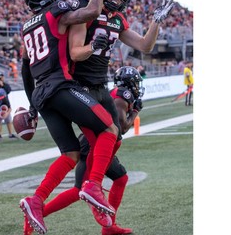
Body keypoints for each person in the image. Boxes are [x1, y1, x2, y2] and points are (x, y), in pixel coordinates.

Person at [66, 0, 173, 226]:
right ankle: (92, 186)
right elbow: (75, 52)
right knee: (103, 135)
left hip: (100, 85)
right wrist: (93, 46)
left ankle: (93, 190)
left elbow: (145, 46)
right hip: (80, 85)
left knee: (114, 134)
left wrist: (156, 22)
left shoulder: (117, 20)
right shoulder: (87, 12)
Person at [19, 0, 120, 235]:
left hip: (41, 94)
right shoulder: (57, 12)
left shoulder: (27, 27)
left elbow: (25, 70)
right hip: (60, 86)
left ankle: (36, 200)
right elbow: (92, 10)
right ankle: (94, 185)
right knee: (109, 128)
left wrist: (32, 106)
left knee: (70, 154)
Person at [23, 66, 144, 235]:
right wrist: (136, 111)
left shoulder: (115, 93)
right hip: (95, 145)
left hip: (94, 143)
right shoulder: (122, 94)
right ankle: (38, 212)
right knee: (83, 189)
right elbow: (121, 127)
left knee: (116, 180)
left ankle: (109, 226)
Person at [0, 73, 17, 139]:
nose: (1, 78)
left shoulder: (5, 85)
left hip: (5, 104)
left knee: (8, 120)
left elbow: (9, 90)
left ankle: (10, 134)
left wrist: (3, 85)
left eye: (1, 77)